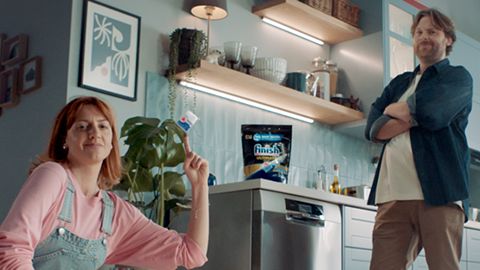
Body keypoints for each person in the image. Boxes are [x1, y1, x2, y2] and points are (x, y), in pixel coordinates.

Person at [0, 96, 210, 269]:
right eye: (82, 126)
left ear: (111, 144)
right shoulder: (52, 176)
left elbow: (192, 253)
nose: (94, 133)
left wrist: (199, 186)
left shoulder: (117, 213)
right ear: (65, 139)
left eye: (103, 126)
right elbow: (12, 249)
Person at [365, 8, 473, 270]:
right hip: (392, 196)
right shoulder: (399, 83)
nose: (425, 37)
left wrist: (401, 111)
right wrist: (410, 113)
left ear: (448, 39)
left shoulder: (457, 77)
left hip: (440, 193)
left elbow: (433, 114)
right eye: (419, 32)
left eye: (433, 32)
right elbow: (373, 129)